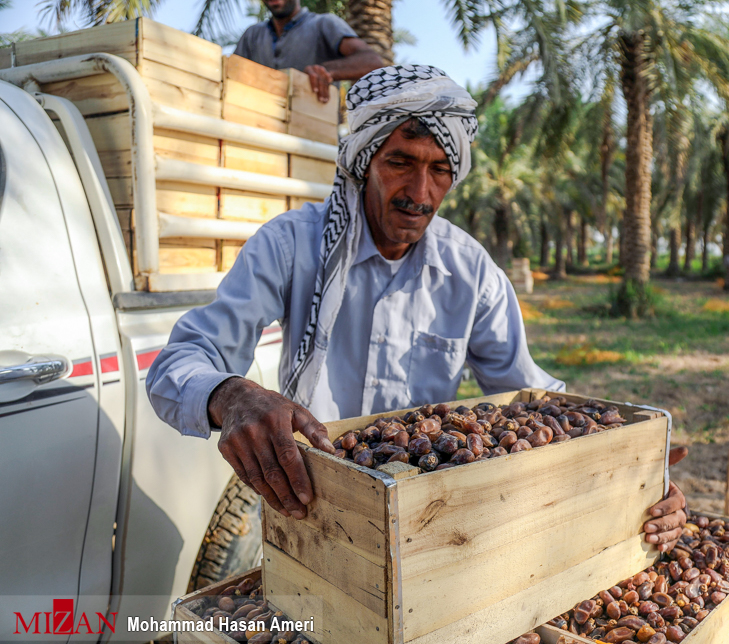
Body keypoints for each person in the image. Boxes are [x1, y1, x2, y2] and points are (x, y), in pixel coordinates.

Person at [146, 65, 688, 552]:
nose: (420, 192)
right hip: (313, 508)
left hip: (431, 528)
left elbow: (536, 399)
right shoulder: (291, 245)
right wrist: (229, 394)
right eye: (400, 163)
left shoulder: (471, 273)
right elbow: (178, 364)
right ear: (364, 163)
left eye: (439, 170)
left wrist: (636, 466)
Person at [233, 0, 384, 102]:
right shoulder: (252, 35)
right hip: (259, 133)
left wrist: (325, 71)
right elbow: (232, 75)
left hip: (315, 139)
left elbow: (372, 62)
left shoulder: (323, 23)